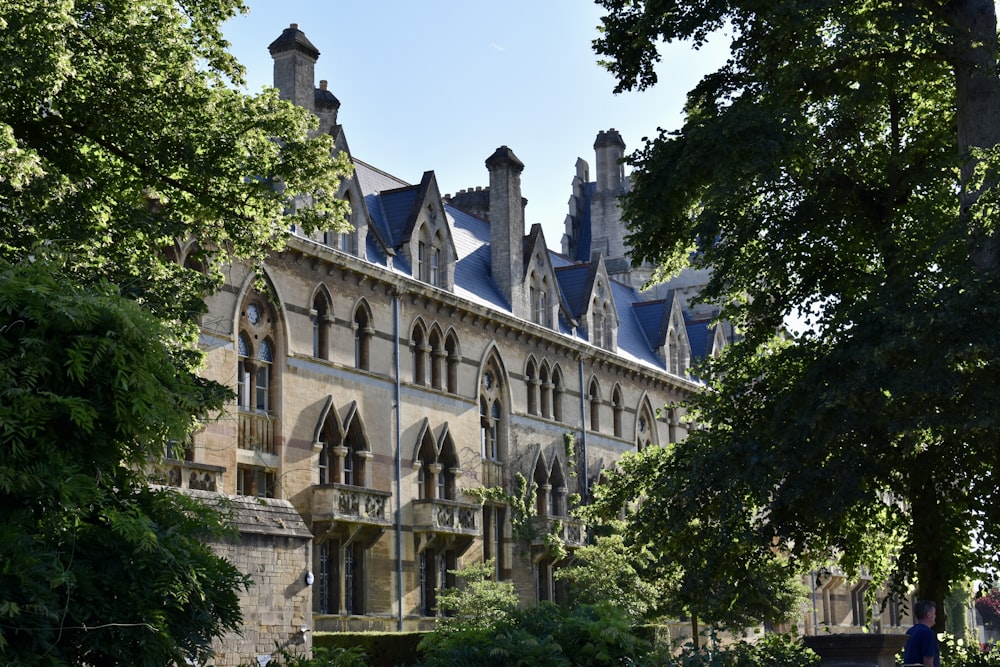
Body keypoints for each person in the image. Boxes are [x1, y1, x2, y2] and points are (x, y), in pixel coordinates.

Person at [903, 599, 940, 667]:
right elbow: (928, 662)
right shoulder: (928, 633)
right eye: (934, 613)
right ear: (928, 614)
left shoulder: (910, 631)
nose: (935, 616)